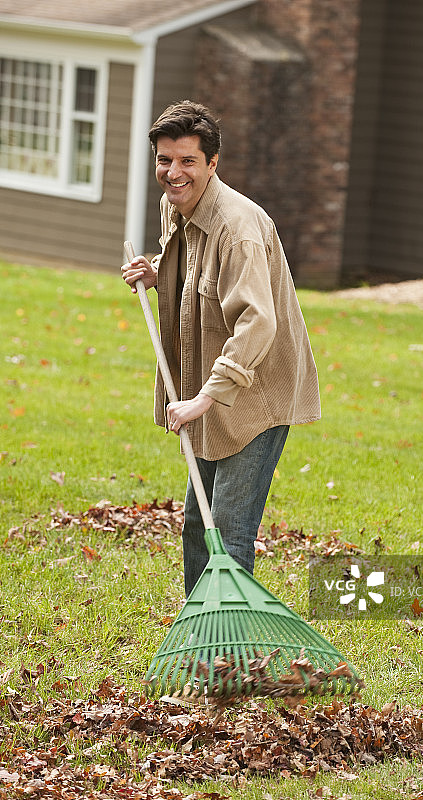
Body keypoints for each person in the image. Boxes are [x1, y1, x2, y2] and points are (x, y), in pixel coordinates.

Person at [122, 100, 320, 596]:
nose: (173, 172)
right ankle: (201, 633)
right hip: (206, 389)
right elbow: (198, 281)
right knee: (197, 523)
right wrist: (156, 273)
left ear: (213, 164)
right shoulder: (176, 206)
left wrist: (203, 400)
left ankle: (230, 657)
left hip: (254, 394)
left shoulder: (238, 230)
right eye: (165, 160)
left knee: (228, 533)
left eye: (188, 160)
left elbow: (257, 322)